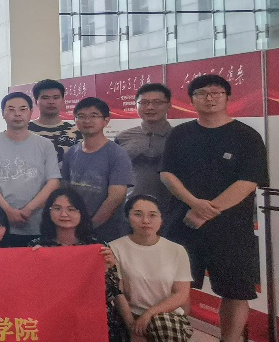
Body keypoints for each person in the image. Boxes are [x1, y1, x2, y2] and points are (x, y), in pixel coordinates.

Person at [160, 74, 268, 342]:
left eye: (216, 92)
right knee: (177, 286)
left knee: (236, 291)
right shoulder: (180, 134)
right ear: (192, 99)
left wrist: (207, 211)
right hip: (183, 224)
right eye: (202, 93)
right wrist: (194, 204)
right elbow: (167, 174)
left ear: (227, 97)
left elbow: (248, 182)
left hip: (233, 229)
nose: (209, 98)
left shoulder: (246, 136)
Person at [110, 195, 202, 342]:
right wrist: (133, 329)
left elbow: (181, 295)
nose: (146, 221)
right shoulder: (115, 248)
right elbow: (117, 293)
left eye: (152, 215)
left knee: (162, 323)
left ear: (161, 219)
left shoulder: (176, 250)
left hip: (168, 318)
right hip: (131, 318)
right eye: (138, 214)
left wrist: (150, 314)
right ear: (127, 217)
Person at [30, 188, 124, 342]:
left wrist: (106, 268)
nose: (64, 214)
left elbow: (113, 289)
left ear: (81, 213)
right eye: (57, 208)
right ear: (48, 212)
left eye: (71, 209)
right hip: (51, 309)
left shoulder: (96, 246)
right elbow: (29, 289)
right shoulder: (37, 246)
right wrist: (33, 264)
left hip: (87, 309)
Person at [0, 92, 61, 247]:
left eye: (23, 109)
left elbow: (53, 182)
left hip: (37, 222)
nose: (17, 114)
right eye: (11, 109)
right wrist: (8, 210)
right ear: (3, 113)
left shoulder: (45, 145)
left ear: (31, 112)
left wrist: (29, 209)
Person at [61, 97, 134, 242]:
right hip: (74, 228)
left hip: (108, 231)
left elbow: (116, 197)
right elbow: (65, 191)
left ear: (106, 121)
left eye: (94, 116)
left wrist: (89, 226)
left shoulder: (117, 154)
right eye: (81, 116)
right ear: (75, 120)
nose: (87, 121)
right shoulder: (71, 153)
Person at [115, 83, 176, 228]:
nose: (150, 107)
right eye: (143, 102)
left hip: (171, 214)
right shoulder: (123, 137)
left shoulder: (179, 137)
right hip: (130, 213)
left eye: (157, 102)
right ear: (136, 105)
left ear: (169, 105)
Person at [28, 79, 81, 161]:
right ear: (36, 101)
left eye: (56, 98)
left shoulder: (76, 131)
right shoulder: (25, 130)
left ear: (63, 101)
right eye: (45, 98)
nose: (51, 102)